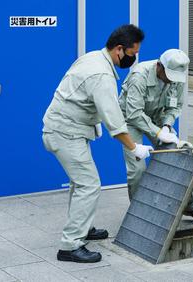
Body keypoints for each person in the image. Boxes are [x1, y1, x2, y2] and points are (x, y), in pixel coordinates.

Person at [42, 24, 153, 263]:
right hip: (65, 133)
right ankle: (70, 245)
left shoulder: (92, 57)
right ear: (119, 50)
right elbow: (115, 121)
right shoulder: (101, 75)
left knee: (80, 182)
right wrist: (135, 147)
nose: (133, 59)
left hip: (66, 130)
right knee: (89, 185)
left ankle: (84, 227)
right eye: (133, 54)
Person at [118, 49, 193, 223]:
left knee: (178, 156)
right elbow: (133, 114)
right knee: (137, 169)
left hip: (158, 117)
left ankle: (189, 206)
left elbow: (175, 106)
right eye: (168, 76)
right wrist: (158, 132)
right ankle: (139, 213)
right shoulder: (139, 76)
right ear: (159, 66)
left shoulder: (176, 77)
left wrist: (167, 126)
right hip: (131, 120)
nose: (171, 80)